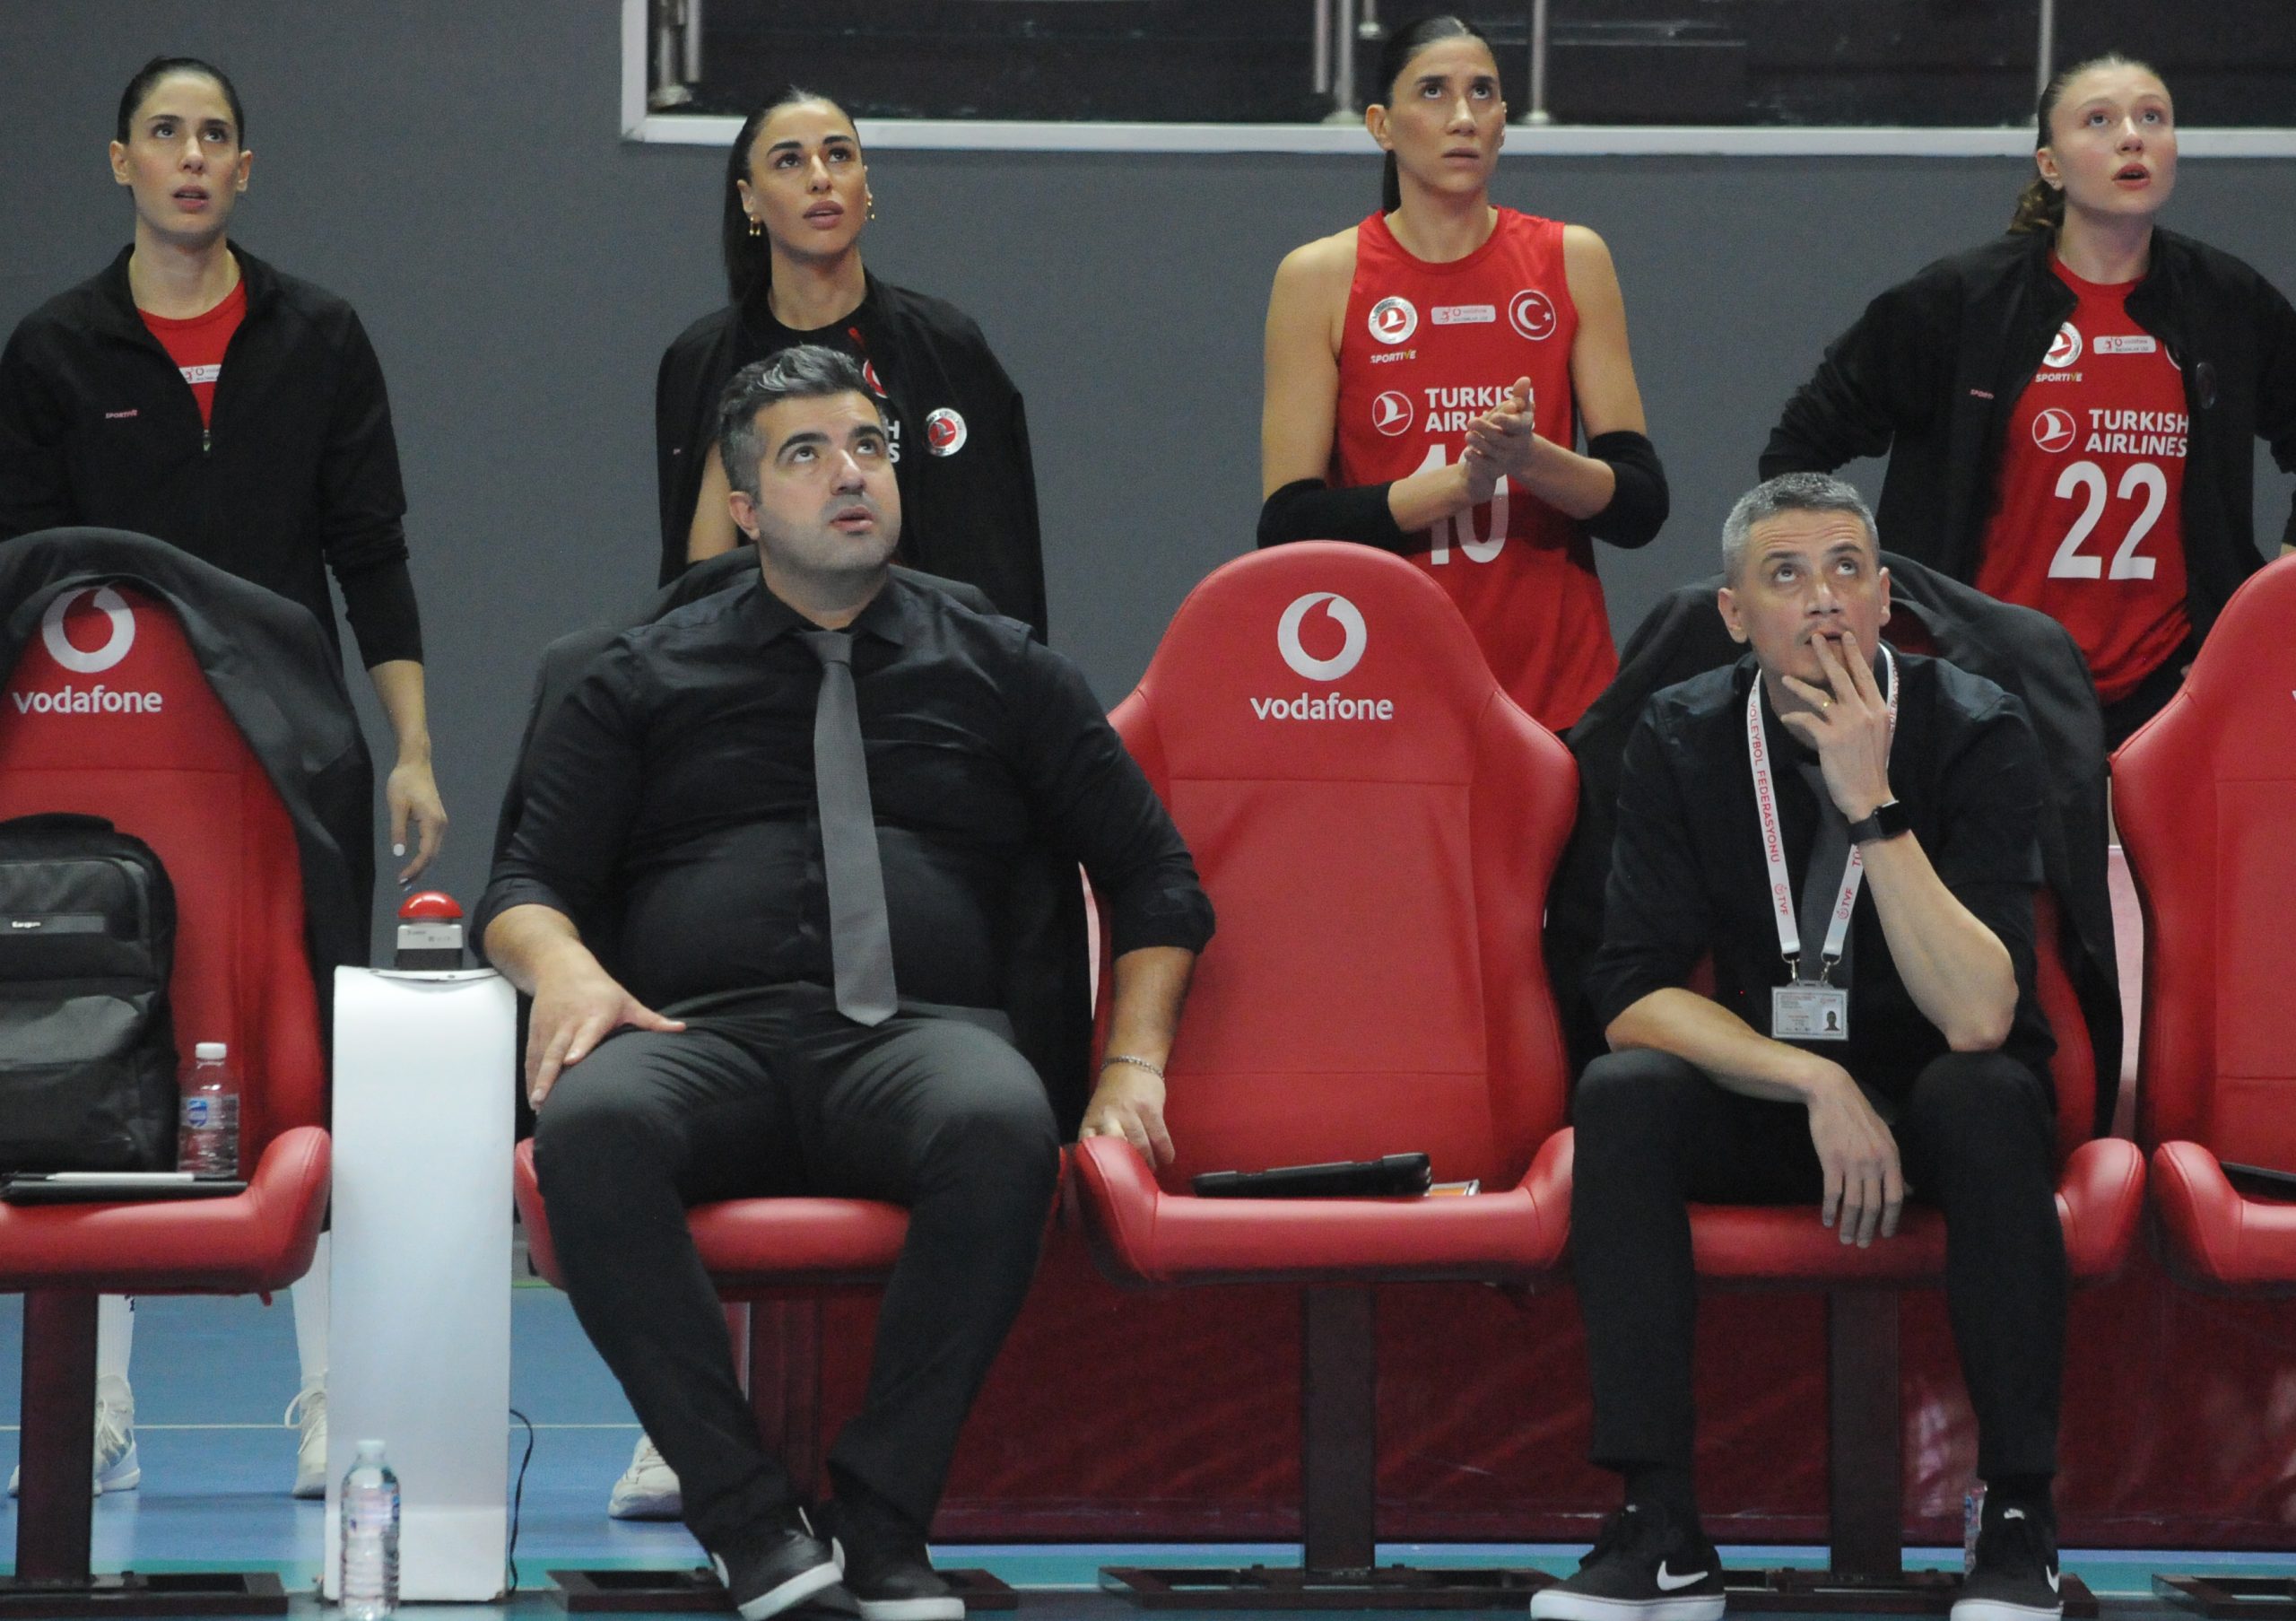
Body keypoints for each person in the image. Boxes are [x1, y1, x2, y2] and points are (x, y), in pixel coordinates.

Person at [483, 346, 1211, 1620]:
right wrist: (568, 968)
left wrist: (1132, 1063)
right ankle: (748, 1519)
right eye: (807, 455)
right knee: (589, 1131)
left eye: (869, 447)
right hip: (700, 1035)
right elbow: (522, 884)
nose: (850, 475)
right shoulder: (636, 669)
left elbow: (1157, 879)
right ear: (745, 506)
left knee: (1001, 1125)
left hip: (917, 1041)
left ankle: (882, 1518)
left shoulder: (1000, 663)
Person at [0, 55, 451, 1500]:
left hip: (289, 756)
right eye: (165, 132)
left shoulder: (321, 336)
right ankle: (97, 1401)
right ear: (120, 161)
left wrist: (411, 745)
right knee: (101, 1044)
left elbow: (370, 550)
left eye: (215, 136)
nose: (191, 156)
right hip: (104, 759)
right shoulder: (53, 350)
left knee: (306, 1055)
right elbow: (18, 576)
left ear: (244, 170)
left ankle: (330, 1392)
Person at [1536, 474, 2067, 1621]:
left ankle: (2018, 1518)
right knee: (1623, 1092)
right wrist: (1812, 1078)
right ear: (1735, 615)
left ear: (1882, 602)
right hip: (1783, 1093)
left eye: (1843, 570)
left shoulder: (1976, 724)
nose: (1820, 598)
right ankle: (1659, 1525)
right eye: (1784, 575)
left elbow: (1979, 1013)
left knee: (1984, 1092)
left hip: (1937, 1102)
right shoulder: (1679, 734)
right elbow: (1630, 992)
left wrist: (1873, 807)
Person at [1763, 55, 2296, 749]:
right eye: (2099, 121)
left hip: (2169, 692)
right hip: (1980, 687)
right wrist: (1845, 601)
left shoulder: (2228, 302)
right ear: (2050, 165)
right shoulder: (1961, 302)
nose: (2131, 137)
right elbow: (1797, 450)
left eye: (2153, 117)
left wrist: (2265, 617)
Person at [1256, 13, 1667, 734]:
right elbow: (1288, 526)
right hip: (1389, 697)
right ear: (1381, 125)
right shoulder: (1319, 277)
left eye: (1483, 93)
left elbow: (1641, 505)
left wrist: (1528, 459)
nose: (1463, 117)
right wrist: (1457, 485)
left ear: (1505, 121)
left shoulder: (1572, 258)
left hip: (1560, 698)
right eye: (1433, 92)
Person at [654, 89, 1046, 636]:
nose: (821, 177)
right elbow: (696, 591)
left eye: (839, 155)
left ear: (866, 185)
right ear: (749, 199)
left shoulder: (946, 346)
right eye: (789, 161)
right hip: (758, 670)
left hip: (931, 666)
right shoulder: (701, 361)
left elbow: (1001, 574)